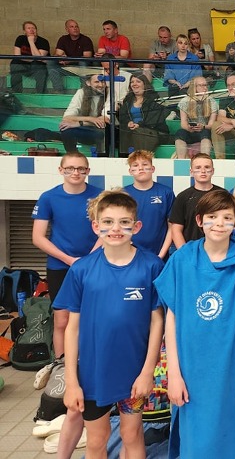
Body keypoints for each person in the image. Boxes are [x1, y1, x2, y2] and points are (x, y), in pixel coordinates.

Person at [155, 189, 235, 458]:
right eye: (212, 217)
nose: (219, 223)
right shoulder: (182, 259)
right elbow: (171, 319)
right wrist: (174, 375)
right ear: (199, 220)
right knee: (197, 444)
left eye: (227, 217)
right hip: (192, 369)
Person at [57, 190, 164, 459]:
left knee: (132, 434)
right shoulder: (81, 270)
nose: (116, 228)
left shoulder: (152, 266)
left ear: (136, 227)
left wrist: (147, 371)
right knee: (97, 440)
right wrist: (72, 381)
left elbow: (157, 322)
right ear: (96, 226)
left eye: (124, 222)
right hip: (93, 375)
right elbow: (72, 328)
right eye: (108, 222)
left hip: (134, 373)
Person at [31, 152, 102, 459]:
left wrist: (88, 259)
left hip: (93, 262)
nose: (76, 172)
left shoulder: (97, 195)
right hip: (61, 266)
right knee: (62, 321)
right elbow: (38, 237)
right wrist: (69, 259)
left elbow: (106, 227)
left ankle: (90, 367)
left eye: (81, 168)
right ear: (61, 170)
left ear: (88, 170)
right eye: (70, 168)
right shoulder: (49, 197)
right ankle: (62, 371)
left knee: (91, 319)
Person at [123, 150, 175, 259]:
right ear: (130, 171)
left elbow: (172, 227)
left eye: (145, 164)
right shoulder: (123, 194)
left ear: (152, 169)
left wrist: (161, 255)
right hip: (128, 255)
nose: (141, 168)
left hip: (159, 256)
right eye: (135, 165)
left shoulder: (166, 193)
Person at [169, 153, 224, 247]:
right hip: (190, 250)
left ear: (213, 171)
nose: (203, 171)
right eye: (198, 167)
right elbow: (176, 229)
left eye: (207, 167)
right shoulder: (183, 197)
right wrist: (186, 252)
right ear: (191, 171)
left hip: (219, 250)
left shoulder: (223, 195)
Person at [118, 73, 170, 153]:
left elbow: (154, 118)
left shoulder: (153, 98)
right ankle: (125, 158)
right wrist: (128, 122)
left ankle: (142, 157)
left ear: (144, 84)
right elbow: (122, 116)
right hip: (132, 130)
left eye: (138, 81)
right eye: (132, 82)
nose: (134, 84)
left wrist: (139, 124)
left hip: (153, 131)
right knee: (123, 132)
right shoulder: (128, 99)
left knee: (138, 132)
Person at [59, 74, 108, 153]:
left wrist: (79, 123)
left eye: (103, 82)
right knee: (65, 129)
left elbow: (104, 121)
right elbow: (67, 117)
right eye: (96, 82)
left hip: (103, 131)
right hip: (86, 129)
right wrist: (90, 119)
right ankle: (73, 155)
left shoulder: (109, 93)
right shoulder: (81, 92)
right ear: (88, 83)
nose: (101, 85)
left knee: (100, 133)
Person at [174, 77, 218, 158]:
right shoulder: (185, 101)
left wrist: (203, 126)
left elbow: (211, 124)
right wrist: (189, 128)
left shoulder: (211, 101)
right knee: (180, 133)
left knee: (205, 133)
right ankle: (181, 160)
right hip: (190, 131)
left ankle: (204, 158)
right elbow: (183, 123)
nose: (205, 88)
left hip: (205, 130)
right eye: (201, 85)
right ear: (194, 87)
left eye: (205, 85)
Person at [10, 21, 50, 93]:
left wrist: (31, 42)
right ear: (24, 31)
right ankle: (16, 93)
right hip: (24, 66)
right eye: (28, 28)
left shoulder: (43, 41)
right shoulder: (20, 38)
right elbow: (17, 56)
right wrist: (33, 59)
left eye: (33, 28)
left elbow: (39, 58)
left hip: (39, 68)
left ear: (36, 30)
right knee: (15, 62)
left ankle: (41, 94)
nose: (31, 30)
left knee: (38, 64)